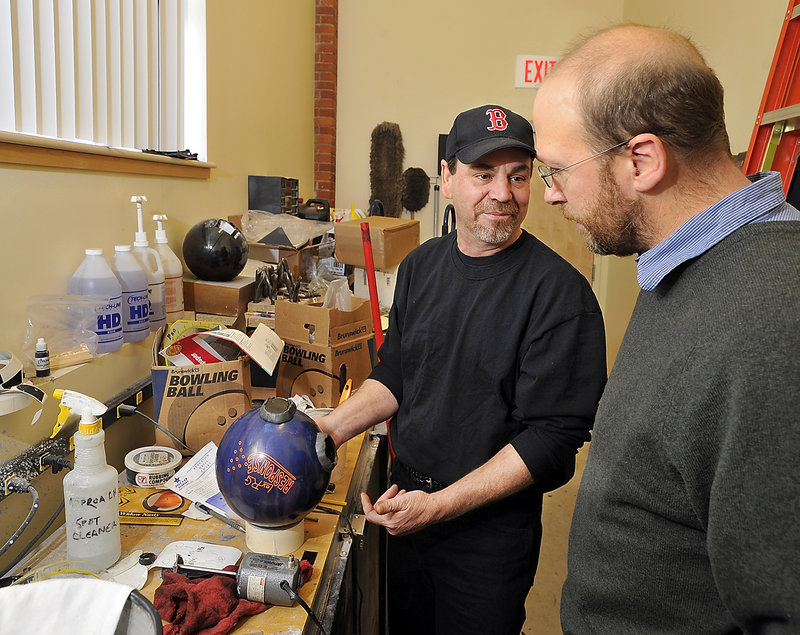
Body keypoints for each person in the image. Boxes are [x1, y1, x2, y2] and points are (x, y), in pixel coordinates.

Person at [532, 24, 800, 634]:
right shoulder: (686, 265)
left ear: (642, 160)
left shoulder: (777, 325)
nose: (550, 196)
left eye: (556, 170)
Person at [315, 104, 607, 634]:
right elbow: (399, 370)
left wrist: (442, 505)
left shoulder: (561, 295)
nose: (503, 193)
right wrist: (333, 427)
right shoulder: (422, 267)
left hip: (487, 537)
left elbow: (552, 438)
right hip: (404, 505)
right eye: (482, 174)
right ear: (447, 179)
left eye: (518, 176)